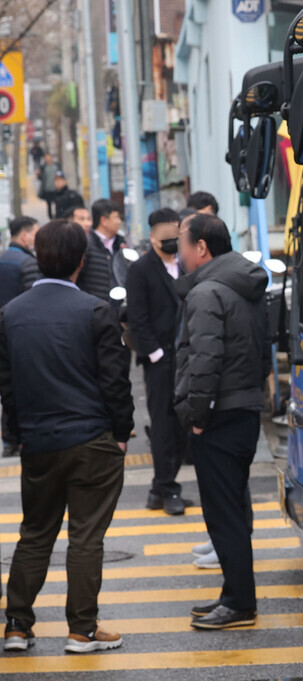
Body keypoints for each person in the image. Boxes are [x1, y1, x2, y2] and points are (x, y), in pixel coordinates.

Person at [0, 219, 133, 654]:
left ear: (38, 259)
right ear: (81, 261)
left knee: (35, 533)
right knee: (85, 536)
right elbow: (115, 382)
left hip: (37, 441)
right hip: (92, 438)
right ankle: (82, 629)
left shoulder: (11, 314)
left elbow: (8, 386)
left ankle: (17, 626)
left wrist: (17, 435)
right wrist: (121, 432)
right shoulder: (96, 311)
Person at [174, 213, 269, 629]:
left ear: (201, 248)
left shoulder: (207, 291)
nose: (178, 251)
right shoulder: (242, 285)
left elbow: (204, 361)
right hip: (244, 409)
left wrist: (197, 417)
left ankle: (238, 604)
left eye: (181, 242)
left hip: (218, 415)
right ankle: (233, 595)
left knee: (223, 513)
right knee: (231, 508)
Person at [126, 208, 189, 515]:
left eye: (175, 237)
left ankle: (159, 489)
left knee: (181, 425)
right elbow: (136, 318)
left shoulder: (186, 263)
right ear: (151, 238)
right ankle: (167, 489)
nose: (170, 243)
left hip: (186, 358)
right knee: (163, 426)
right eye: (164, 239)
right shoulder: (140, 270)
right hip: (160, 361)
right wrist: (155, 354)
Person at [0, 217, 41, 458]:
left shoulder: (3, 259)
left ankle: (8, 439)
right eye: (34, 233)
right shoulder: (27, 264)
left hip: (2, 331)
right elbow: (31, 300)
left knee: (6, 385)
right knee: (21, 384)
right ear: (24, 236)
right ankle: (17, 435)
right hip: (18, 330)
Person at [77, 199, 125, 302]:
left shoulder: (121, 244)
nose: (119, 221)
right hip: (96, 308)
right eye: (116, 217)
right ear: (104, 220)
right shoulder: (86, 245)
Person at [0, 217, 40, 308]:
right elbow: (33, 298)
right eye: (36, 234)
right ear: (24, 236)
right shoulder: (29, 263)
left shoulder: (2, 258)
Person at [37, 154, 59, 219]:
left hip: (55, 189)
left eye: (49, 158)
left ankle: (57, 216)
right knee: (49, 205)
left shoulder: (56, 166)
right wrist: (38, 175)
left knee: (57, 204)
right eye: (46, 158)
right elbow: (41, 178)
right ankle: (50, 217)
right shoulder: (43, 167)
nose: (48, 159)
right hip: (47, 189)